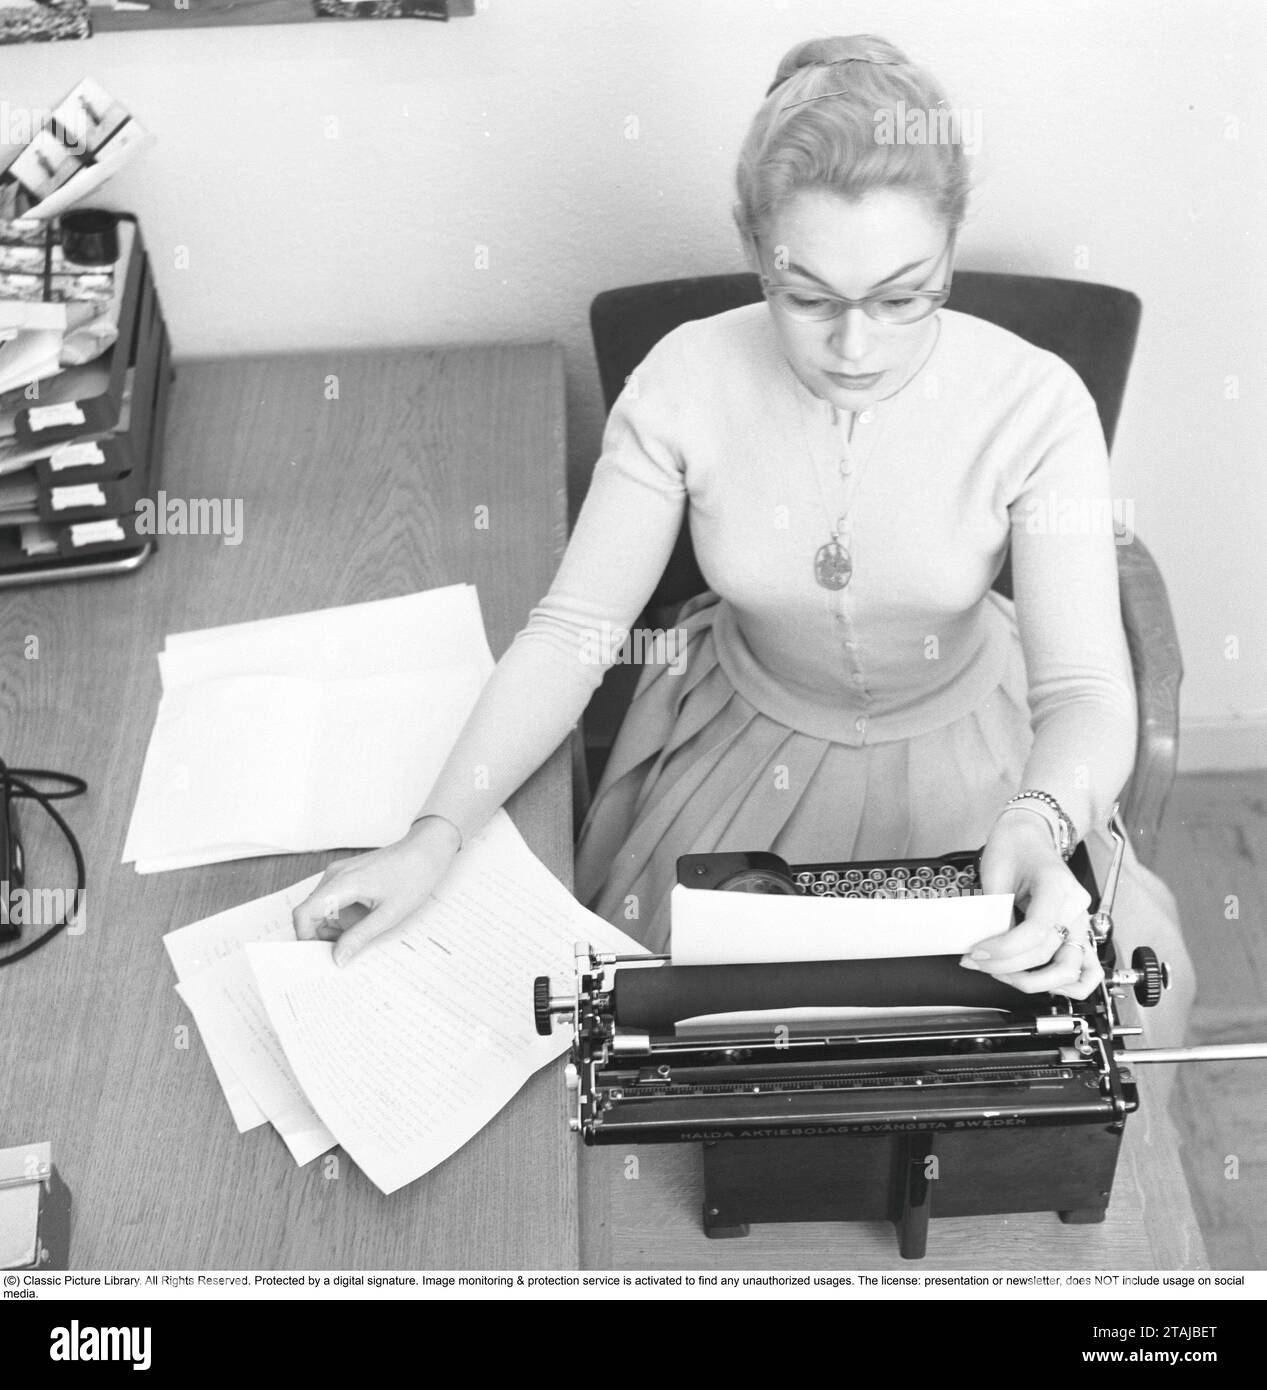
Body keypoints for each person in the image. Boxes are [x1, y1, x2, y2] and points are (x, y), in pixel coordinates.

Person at [293, 33, 1193, 1044]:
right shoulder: (681, 381)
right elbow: (571, 634)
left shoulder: (1038, 404)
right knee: (693, 1041)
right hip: (737, 750)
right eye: (806, 298)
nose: (855, 347)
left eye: (903, 297)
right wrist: (433, 834)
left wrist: (1038, 819)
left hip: (986, 759)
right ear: (751, 247)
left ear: (951, 246)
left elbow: (1080, 692)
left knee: (998, 1043)